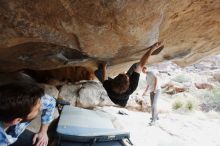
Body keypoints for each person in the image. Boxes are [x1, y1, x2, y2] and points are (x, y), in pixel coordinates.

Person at [95, 42, 164, 107]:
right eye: (127, 76)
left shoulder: (108, 87)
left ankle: (101, 69)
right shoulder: (132, 87)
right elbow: (141, 64)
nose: (126, 74)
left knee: (97, 72)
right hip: (120, 93)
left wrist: (104, 67)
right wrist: (152, 49)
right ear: (128, 83)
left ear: (113, 81)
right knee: (136, 65)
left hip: (120, 101)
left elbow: (104, 79)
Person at [0, 82, 56, 146]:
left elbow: (50, 102)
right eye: (37, 109)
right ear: (18, 120)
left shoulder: (30, 102)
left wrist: (43, 131)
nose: (41, 106)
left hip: (14, 132)